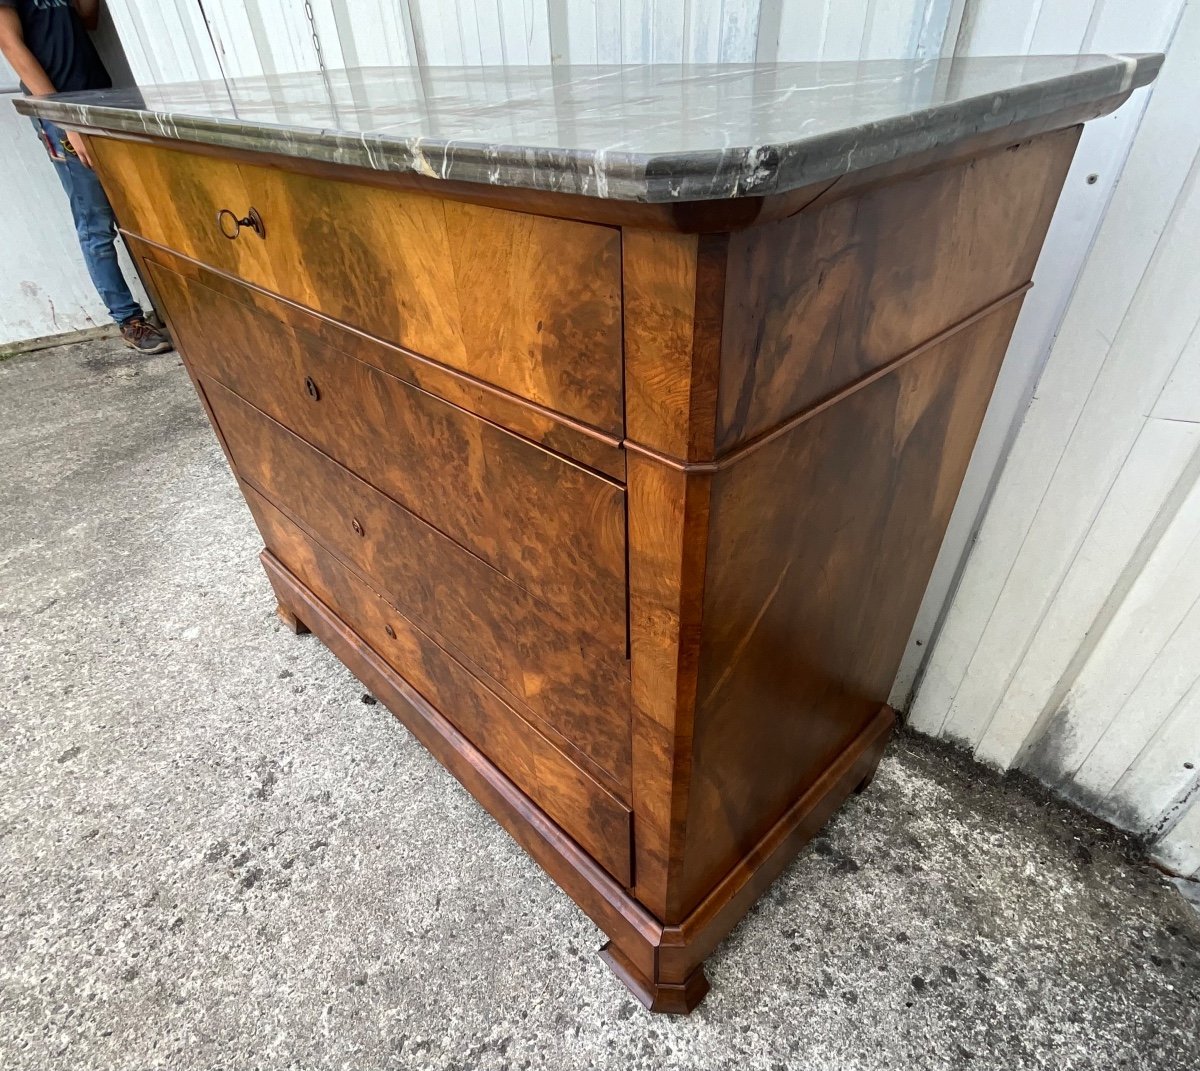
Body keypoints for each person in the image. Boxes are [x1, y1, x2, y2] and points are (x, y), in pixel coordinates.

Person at [0, 0, 171, 354]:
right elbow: (9, 43)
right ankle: (129, 320)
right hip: (60, 111)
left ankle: (172, 306)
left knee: (137, 207)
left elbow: (88, 20)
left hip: (103, 100)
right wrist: (63, 117)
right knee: (95, 221)